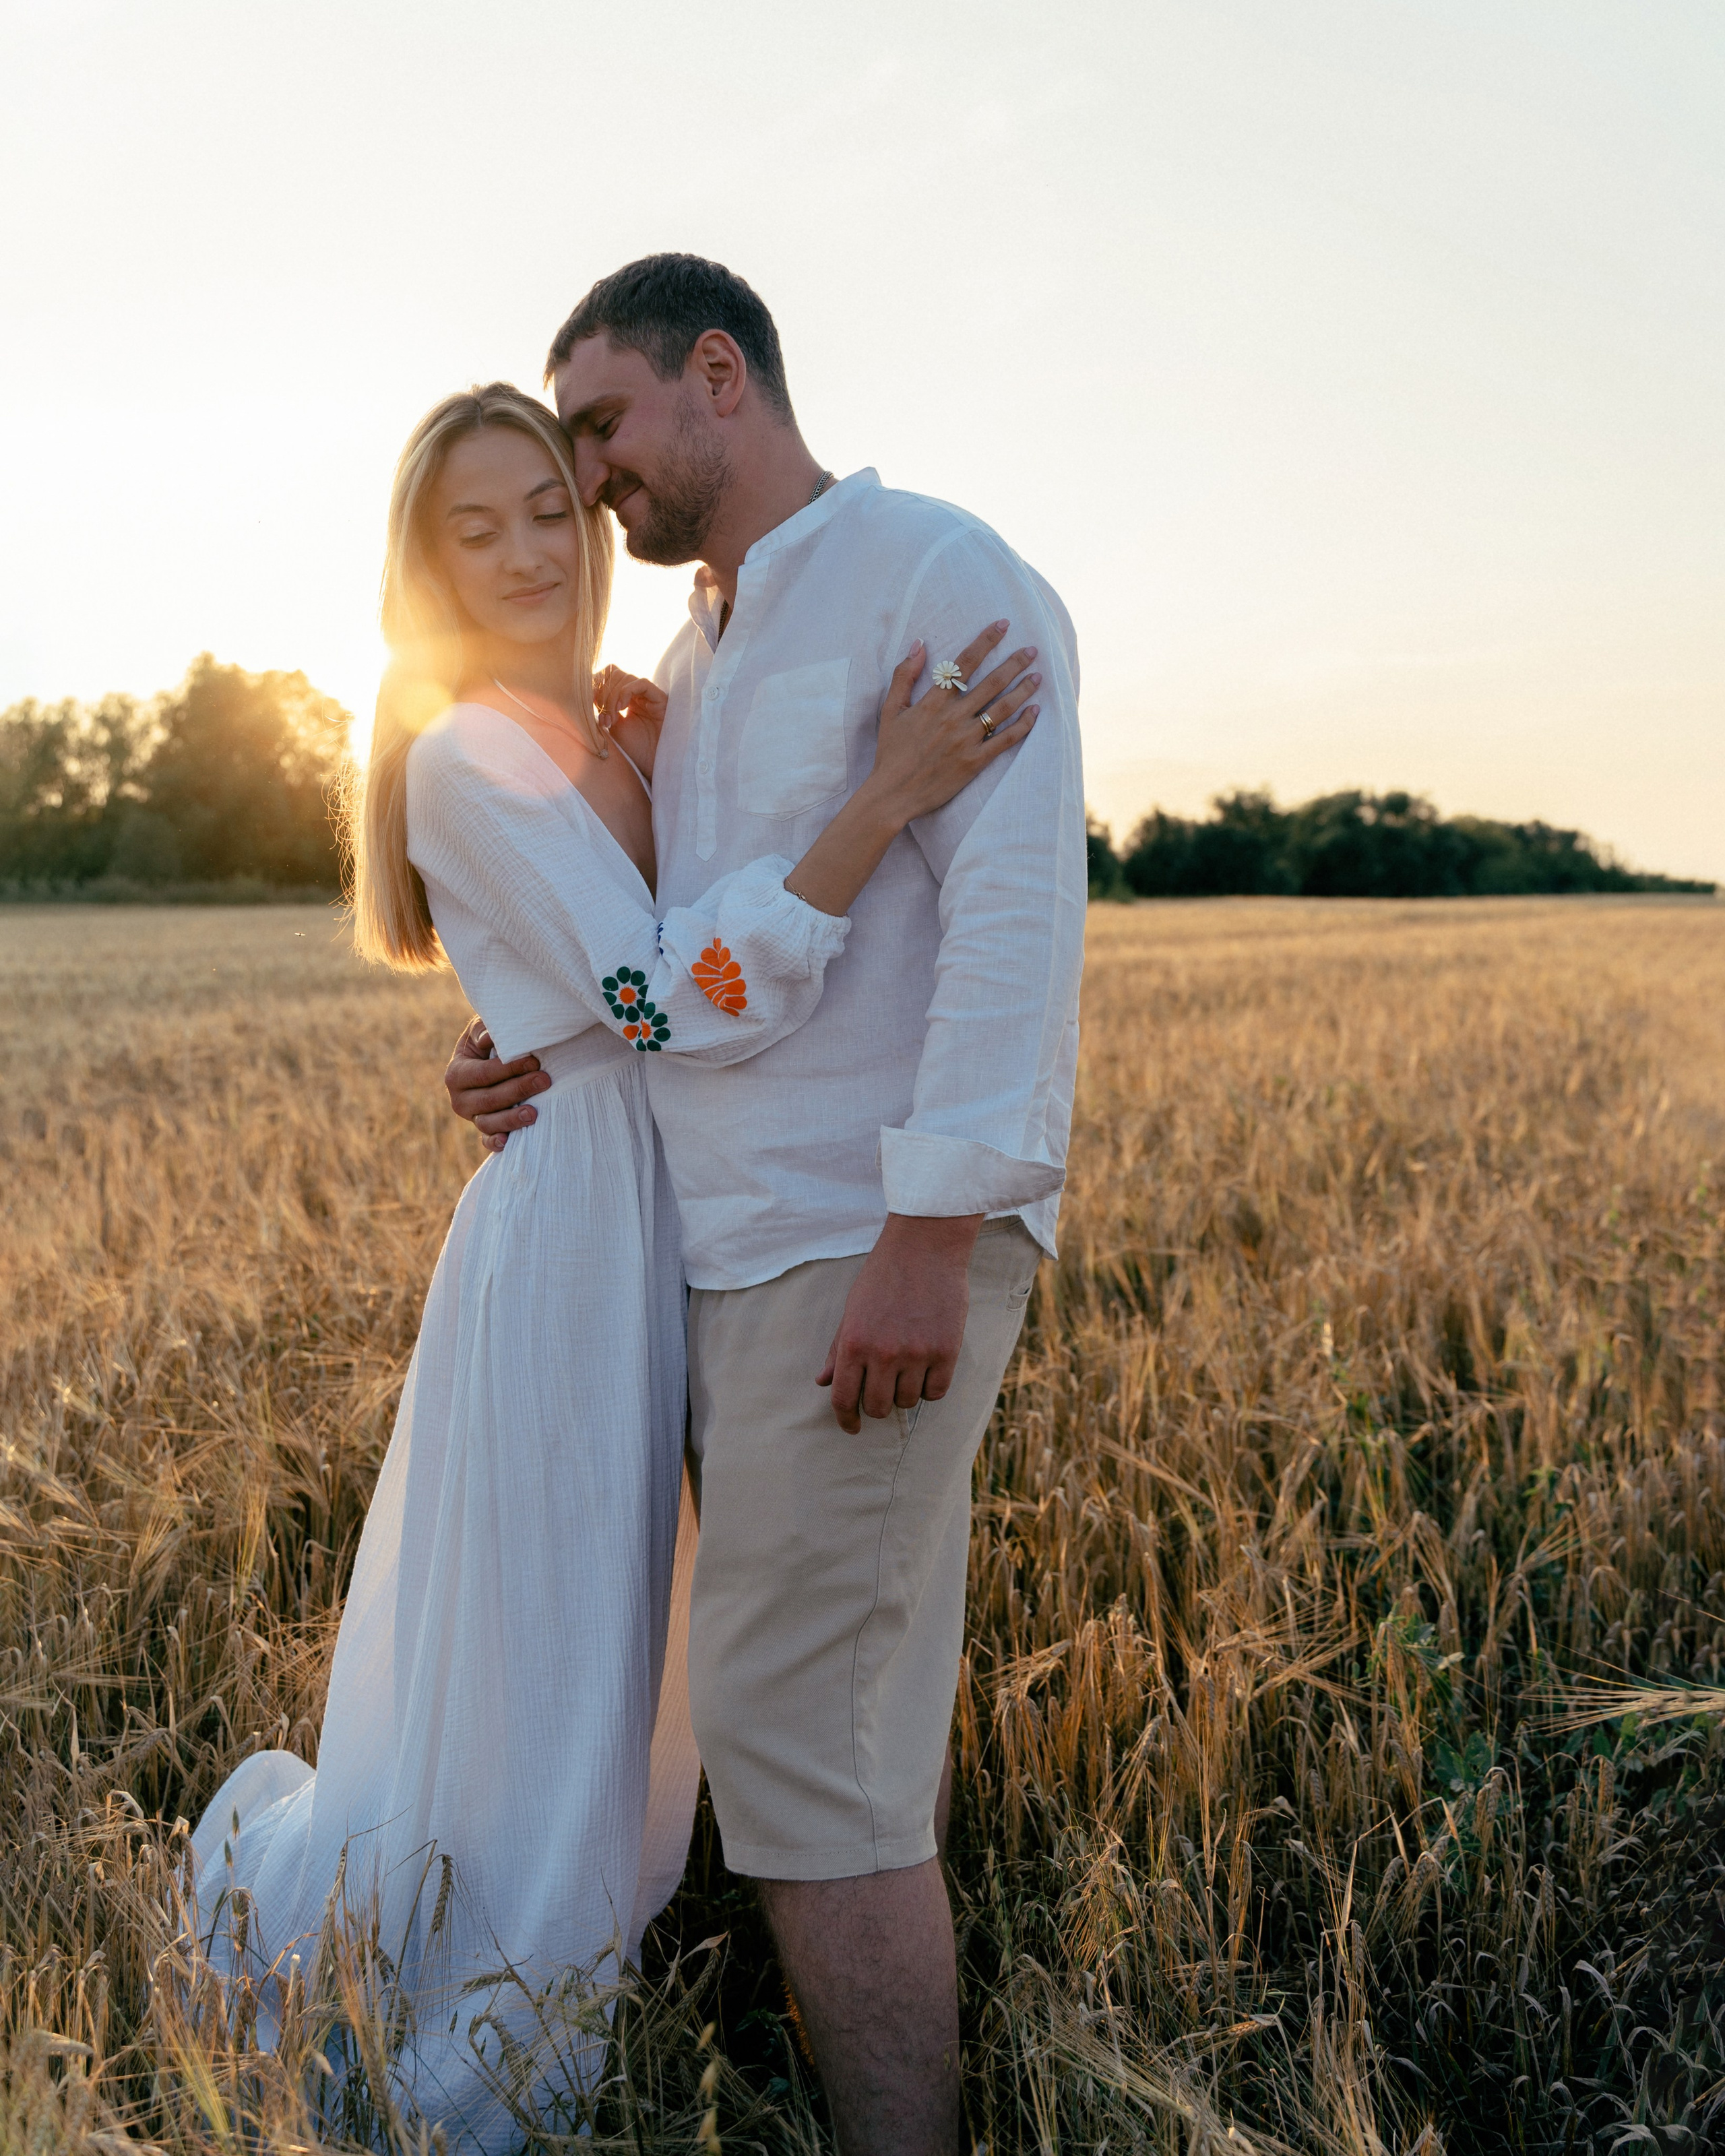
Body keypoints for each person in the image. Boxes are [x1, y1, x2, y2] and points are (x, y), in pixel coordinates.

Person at [188, 380, 1040, 2150]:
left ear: (591, 527)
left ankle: (593, 1940)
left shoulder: (615, 719)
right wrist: (885, 796)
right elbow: (651, 999)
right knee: (565, 1632)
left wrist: (650, 778)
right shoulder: (462, 754)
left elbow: (631, 986)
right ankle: (496, 2001)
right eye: (468, 526)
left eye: (543, 512)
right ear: (417, 566)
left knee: (643, 1629)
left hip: (669, 1206)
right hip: (573, 1224)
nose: (517, 550)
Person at [446, 256, 1086, 2156]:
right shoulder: (704, 658)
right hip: (722, 1267)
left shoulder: (935, 573)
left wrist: (931, 1231)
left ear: (716, 376)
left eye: (600, 429)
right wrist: (533, 1053)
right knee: (804, 1731)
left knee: (809, 1758)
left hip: (855, 1251)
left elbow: (1013, 930)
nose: (586, 484)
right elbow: (669, 988)